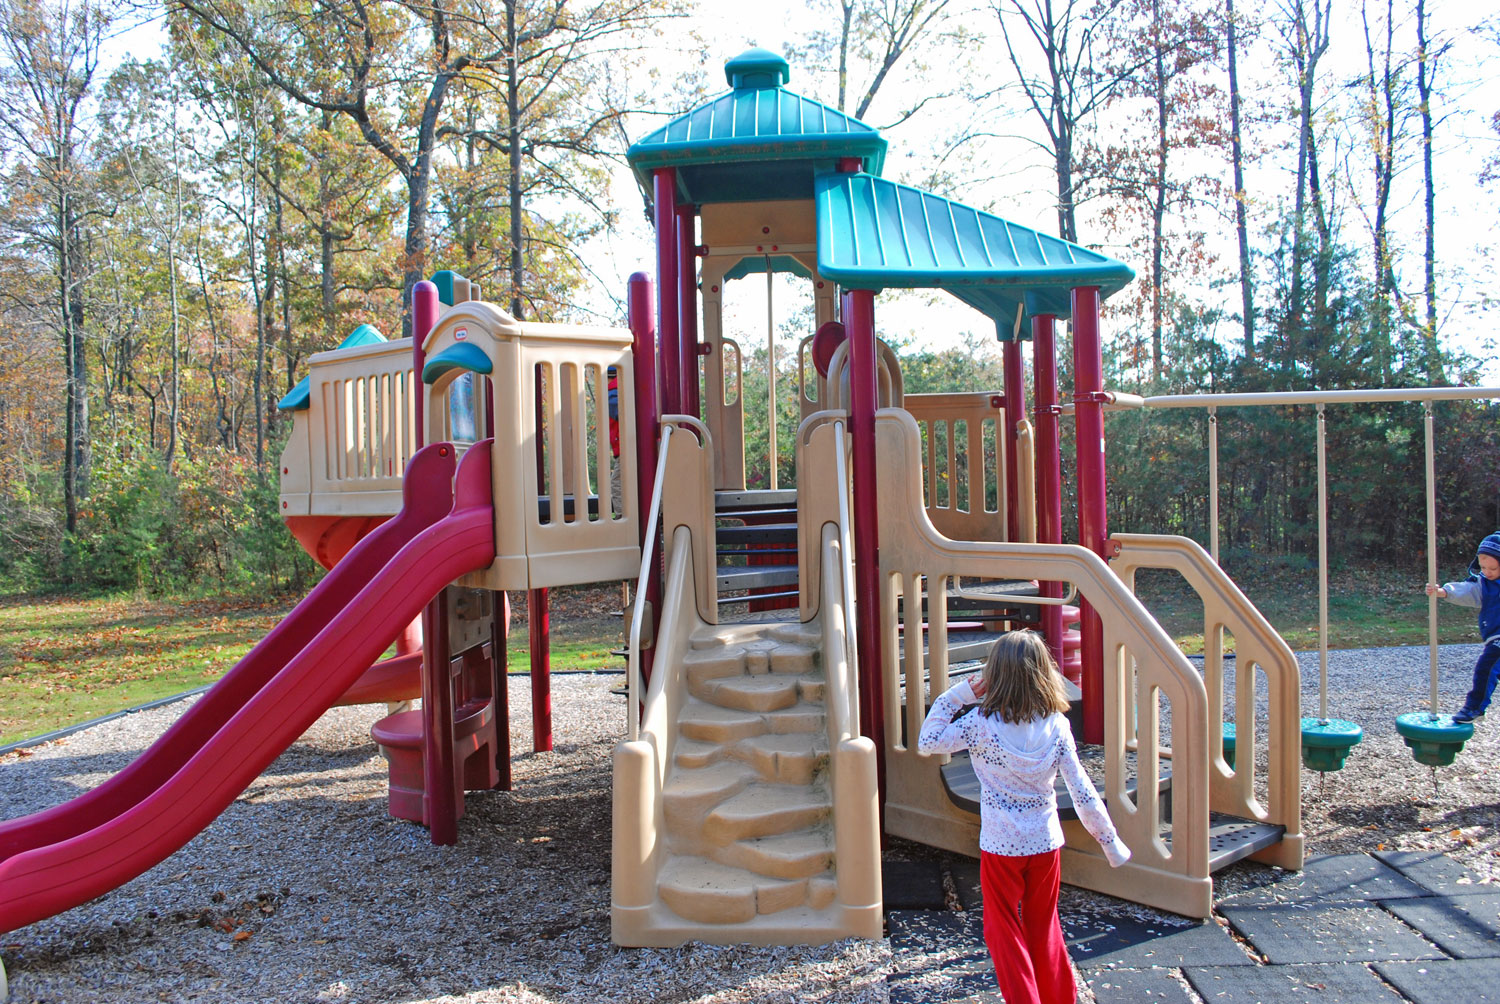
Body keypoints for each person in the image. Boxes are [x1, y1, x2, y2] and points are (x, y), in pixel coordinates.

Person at [918, 630, 1130, 1004]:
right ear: (1044, 673)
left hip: (1001, 846)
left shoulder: (979, 724)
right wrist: (1109, 841)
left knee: (1002, 930)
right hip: (1045, 843)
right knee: (1044, 927)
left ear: (994, 676)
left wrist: (959, 695)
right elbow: (1082, 791)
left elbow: (928, 742)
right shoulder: (1058, 725)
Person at [1424, 531, 1500, 724]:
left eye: (1493, 568)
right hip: (1496, 638)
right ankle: (1475, 707)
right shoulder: (1484, 584)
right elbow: (1467, 591)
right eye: (1483, 567)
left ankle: (1474, 707)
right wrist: (1443, 592)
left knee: (1487, 667)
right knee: (1486, 669)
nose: (1487, 572)